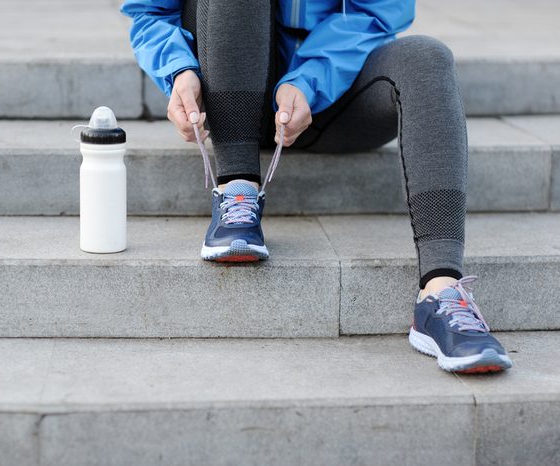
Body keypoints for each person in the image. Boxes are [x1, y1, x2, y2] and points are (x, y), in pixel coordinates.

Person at [120, 0, 512, 374]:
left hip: (329, 96)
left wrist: (307, 81)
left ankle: (440, 293)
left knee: (427, 58)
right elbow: (149, 12)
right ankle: (237, 187)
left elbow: (378, 13)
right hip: (227, 90)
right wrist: (179, 70)